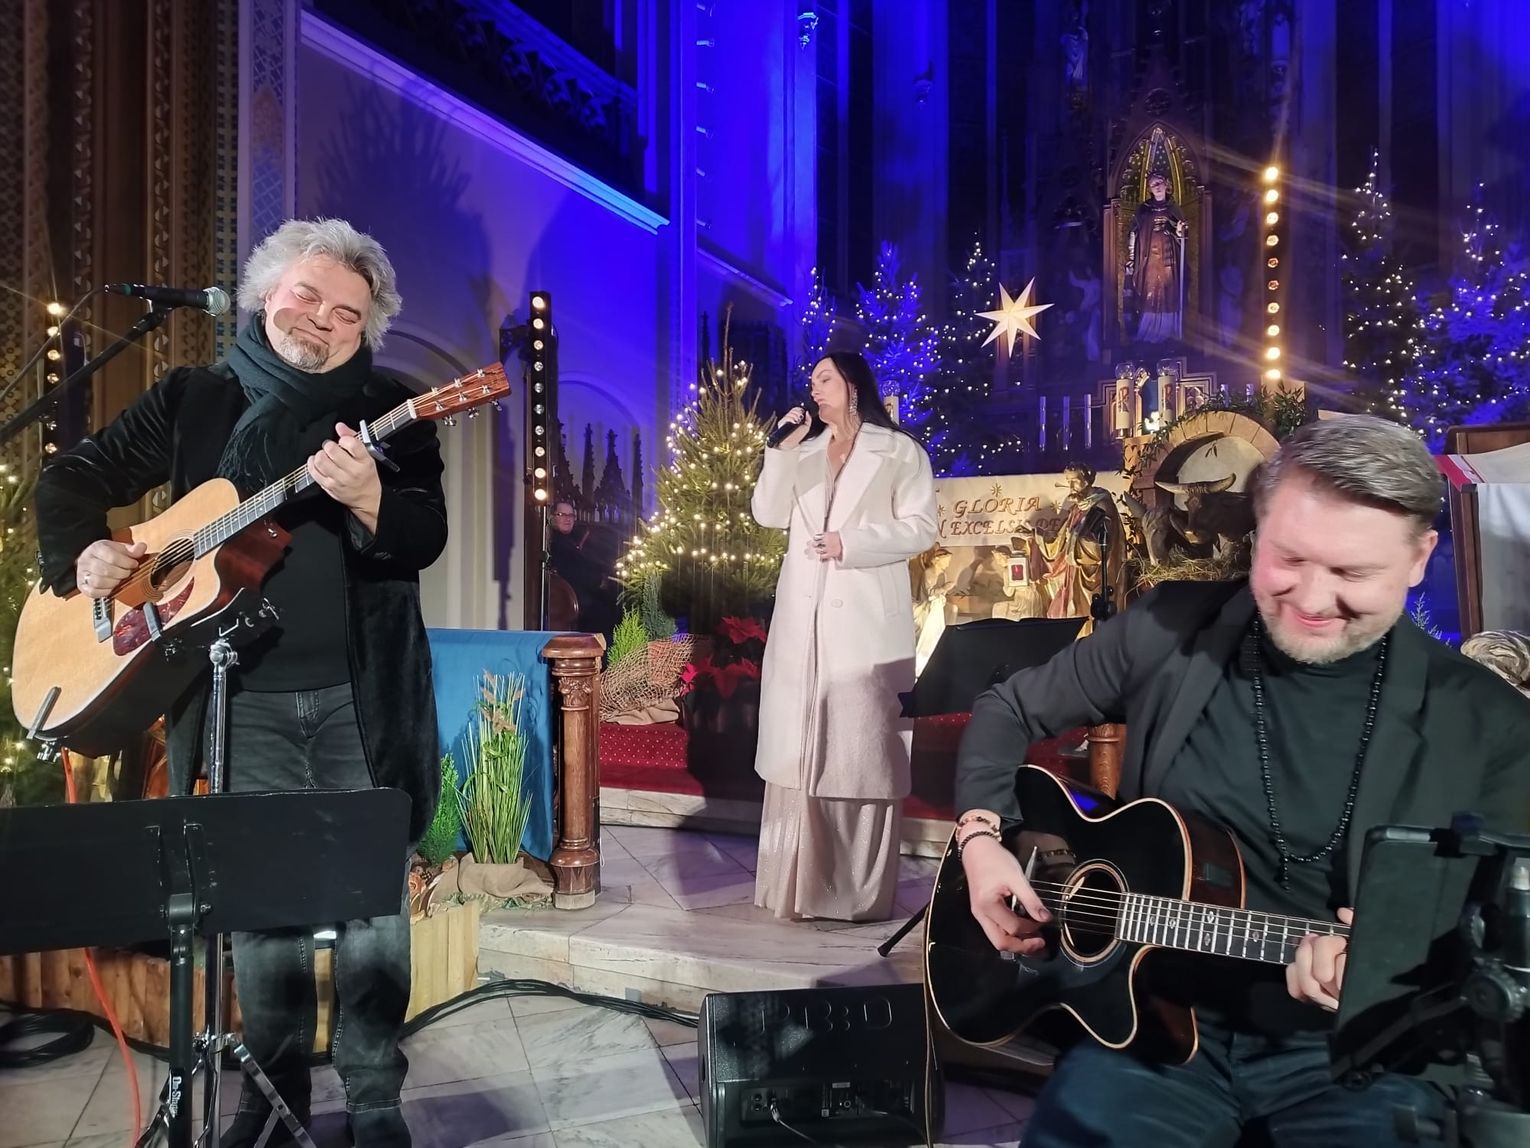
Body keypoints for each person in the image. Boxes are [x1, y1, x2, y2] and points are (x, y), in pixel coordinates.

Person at [952, 415, 1530, 1147]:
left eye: (1351, 573)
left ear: (1419, 558)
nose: (1311, 599)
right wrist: (981, 839)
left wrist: (1388, 960)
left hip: (1360, 1055)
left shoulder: (1489, 725)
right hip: (1153, 1030)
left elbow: (1508, 942)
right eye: (1288, 557)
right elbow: (1009, 707)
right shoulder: (1169, 630)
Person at [34, 218, 445, 1147]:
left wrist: (370, 497)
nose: (322, 319)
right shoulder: (195, 398)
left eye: (348, 313)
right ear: (266, 293)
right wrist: (87, 553)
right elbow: (71, 479)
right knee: (261, 908)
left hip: (360, 701)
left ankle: (374, 1096)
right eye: (308, 295)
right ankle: (272, 1087)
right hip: (233, 698)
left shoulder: (393, 407)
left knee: (373, 901)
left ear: (367, 330)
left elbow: (423, 535)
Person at [751, 351, 937, 921]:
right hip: (802, 625)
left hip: (864, 621)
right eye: (811, 380)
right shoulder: (803, 451)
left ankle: (852, 892)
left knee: (858, 749)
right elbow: (767, 514)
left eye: (825, 378)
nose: (814, 387)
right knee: (798, 749)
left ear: (853, 385)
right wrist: (780, 452)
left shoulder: (898, 450)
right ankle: (794, 889)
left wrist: (851, 544)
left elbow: (922, 528)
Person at [1019, 463, 1125, 631]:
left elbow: (1099, 548)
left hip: (1093, 577)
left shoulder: (1101, 506)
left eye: (1075, 481)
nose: (1071, 486)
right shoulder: (1077, 509)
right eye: (1068, 481)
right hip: (1074, 575)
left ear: (1087, 480)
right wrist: (1035, 535)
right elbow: (1060, 540)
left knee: (1087, 620)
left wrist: (1074, 538)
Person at [1125, 170, 1188, 343]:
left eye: (1159, 183)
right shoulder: (1144, 210)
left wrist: (1179, 232)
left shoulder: (1174, 208)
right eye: (1153, 185)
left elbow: (1182, 234)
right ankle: (1148, 332)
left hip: (1169, 258)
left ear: (1166, 184)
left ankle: (1168, 333)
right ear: (1149, 189)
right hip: (1149, 259)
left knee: (1169, 291)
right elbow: (1133, 233)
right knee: (1149, 292)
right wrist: (1132, 256)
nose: (1157, 187)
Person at [910, 546, 954, 676]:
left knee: (951, 609)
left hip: (938, 603)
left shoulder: (943, 574)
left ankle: (946, 638)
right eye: (946, 561)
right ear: (938, 560)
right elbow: (930, 593)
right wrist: (944, 588)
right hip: (927, 604)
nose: (948, 564)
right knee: (936, 608)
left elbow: (941, 594)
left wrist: (944, 591)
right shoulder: (929, 572)